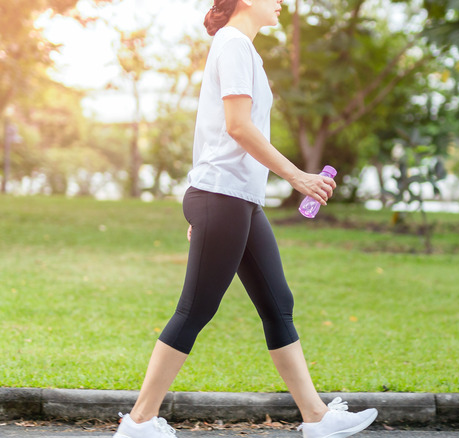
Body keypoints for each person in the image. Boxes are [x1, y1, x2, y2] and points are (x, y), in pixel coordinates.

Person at [112, 0, 378, 437]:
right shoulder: (233, 44)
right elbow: (237, 126)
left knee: (278, 304)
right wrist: (297, 177)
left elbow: (219, 130)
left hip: (235, 200)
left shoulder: (241, 48)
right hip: (223, 197)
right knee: (195, 309)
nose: (280, 3)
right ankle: (138, 422)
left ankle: (316, 418)